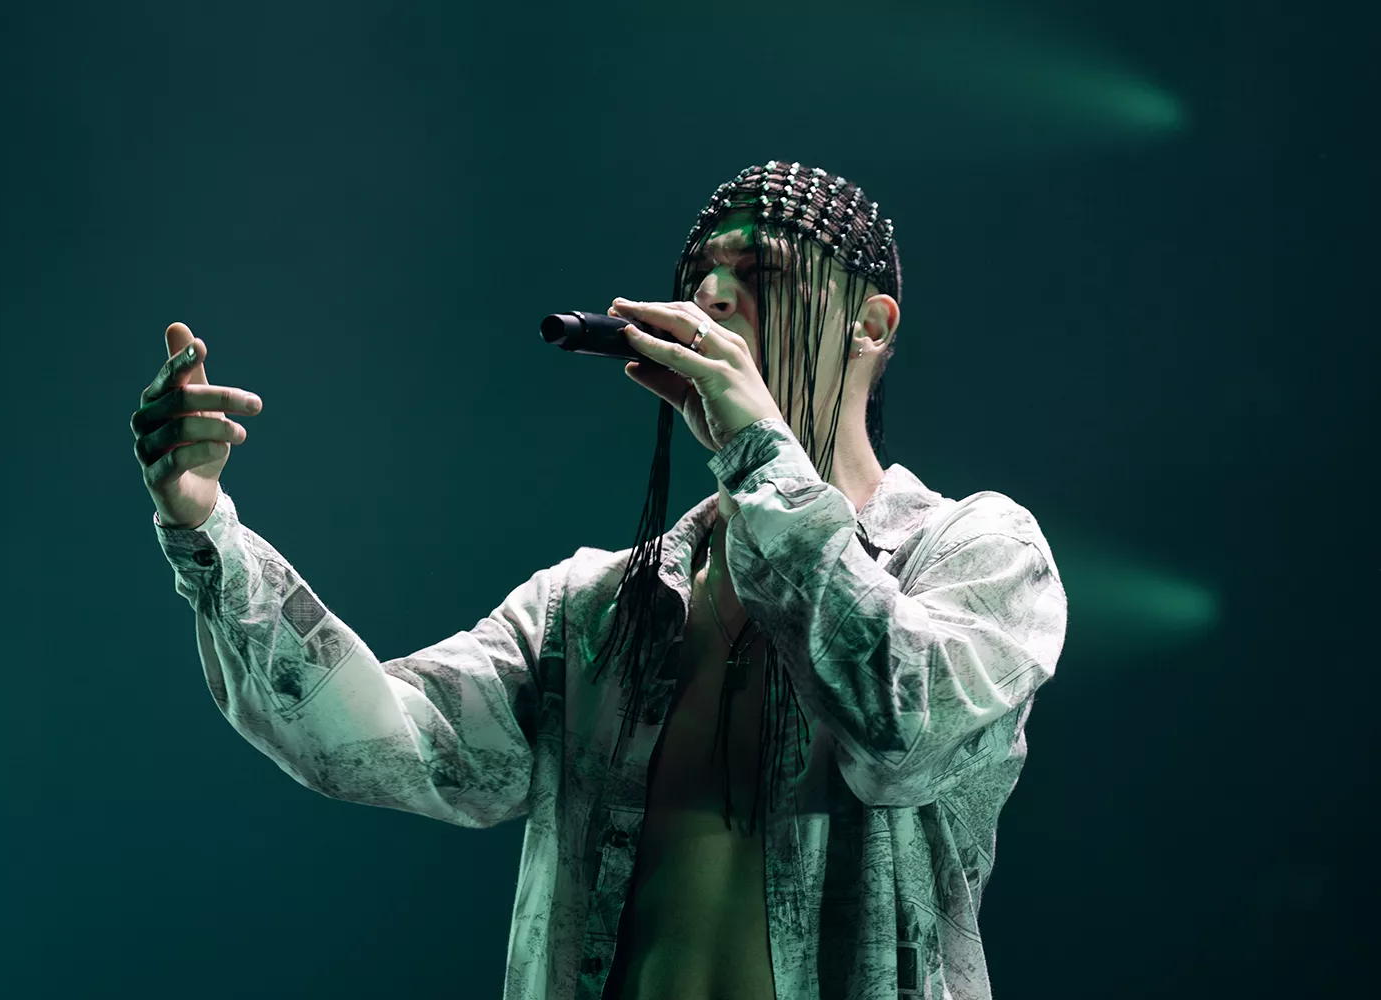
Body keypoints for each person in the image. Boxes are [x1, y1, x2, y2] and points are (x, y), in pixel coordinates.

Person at [130, 159, 1069, 1000]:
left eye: (761, 273)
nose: (713, 295)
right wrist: (205, 529)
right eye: (702, 276)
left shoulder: (979, 554)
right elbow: (382, 741)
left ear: (869, 324)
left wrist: (758, 454)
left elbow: (899, 732)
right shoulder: (595, 610)